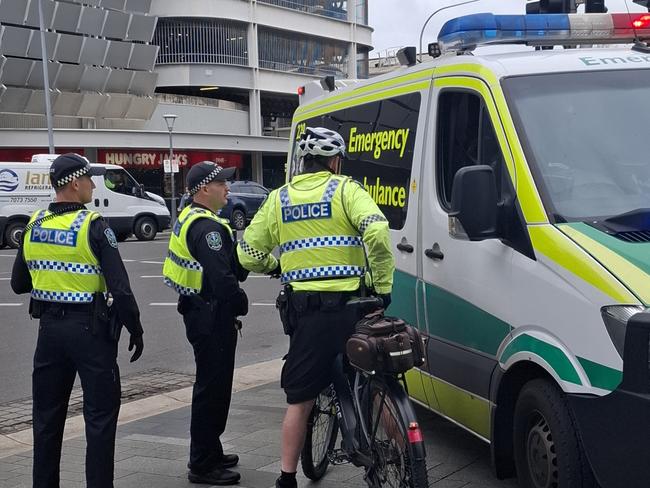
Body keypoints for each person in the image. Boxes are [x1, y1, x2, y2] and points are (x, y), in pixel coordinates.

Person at [237, 127, 395, 488]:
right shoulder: (346, 190)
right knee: (374, 379)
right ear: (335, 161)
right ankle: (402, 451)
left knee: (301, 399)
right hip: (354, 309)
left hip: (308, 315)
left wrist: (276, 266)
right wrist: (382, 286)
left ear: (303, 162)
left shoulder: (279, 199)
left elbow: (246, 252)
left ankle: (287, 478)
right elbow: (377, 231)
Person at [10, 153, 145, 488]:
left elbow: (18, 284)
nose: (91, 185)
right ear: (74, 183)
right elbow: (121, 289)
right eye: (88, 179)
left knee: (46, 420)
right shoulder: (93, 224)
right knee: (99, 419)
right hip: (90, 332)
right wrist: (136, 328)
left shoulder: (34, 223)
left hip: (49, 334)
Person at [162, 161, 249, 485]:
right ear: (203, 190)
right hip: (211, 315)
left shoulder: (193, 218)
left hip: (199, 311)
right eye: (221, 183)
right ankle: (202, 464)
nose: (228, 188)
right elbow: (224, 279)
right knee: (213, 390)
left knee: (211, 386)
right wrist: (241, 302)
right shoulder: (207, 228)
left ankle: (210, 449)